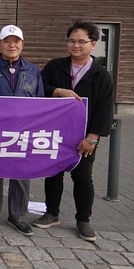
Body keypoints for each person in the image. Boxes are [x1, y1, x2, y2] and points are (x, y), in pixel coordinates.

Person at [33, 19, 113, 242]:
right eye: (71, 41)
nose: (75, 46)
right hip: (55, 132)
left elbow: (105, 108)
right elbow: (38, 88)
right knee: (53, 173)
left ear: (93, 44)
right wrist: (58, 91)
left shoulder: (101, 75)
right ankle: (52, 213)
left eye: (81, 42)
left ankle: (83, 220)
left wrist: (92, 138)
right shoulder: (55, 66)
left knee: (83, 177)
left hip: (84, 137)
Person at [0, 25, 44, 236]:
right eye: (7, 41)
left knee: (21, 174)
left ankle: (17, 215)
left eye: (16, 41)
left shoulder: (33, 71)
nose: (12, 45)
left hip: (23, 131)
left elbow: (40, 102)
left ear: (22, 44)